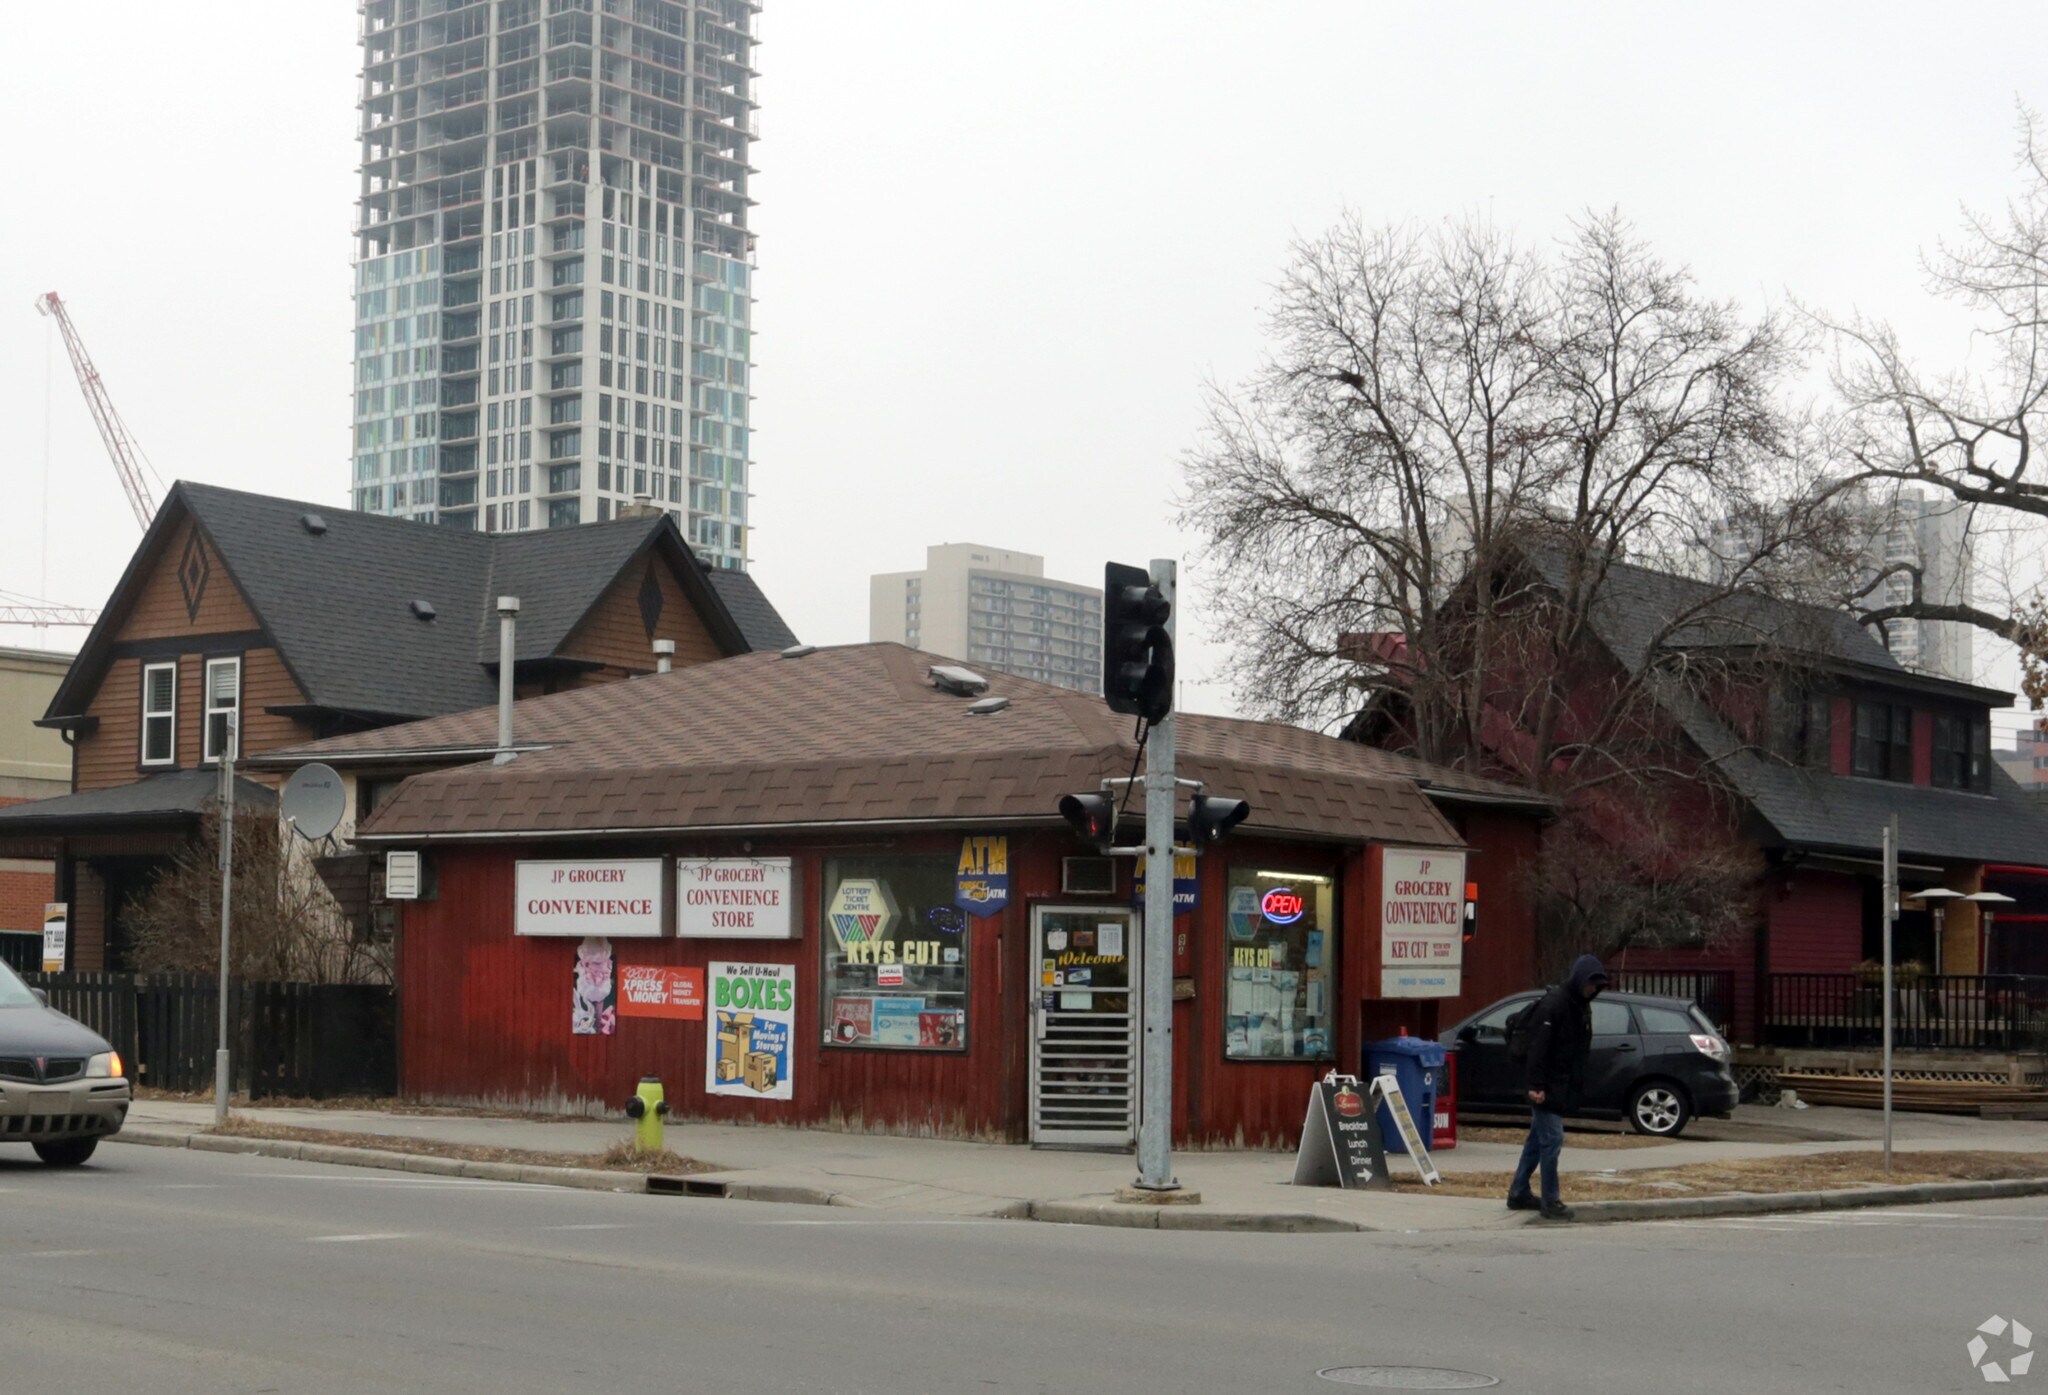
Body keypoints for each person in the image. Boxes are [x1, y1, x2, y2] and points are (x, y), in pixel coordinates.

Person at [1507, 954, 1609, 1221]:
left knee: (1536, 1140)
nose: (1593, 990)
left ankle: (1518, 1191)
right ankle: (1550, 1199)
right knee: (1552, 1139)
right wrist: (1536, 1085)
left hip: (1559, 1083)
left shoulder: (1579, 1005)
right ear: (1579, 980)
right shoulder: (1555, 1004)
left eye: (1596, 986)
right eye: (1590, 985)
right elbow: (1539, 1049)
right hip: (1546, 1085)